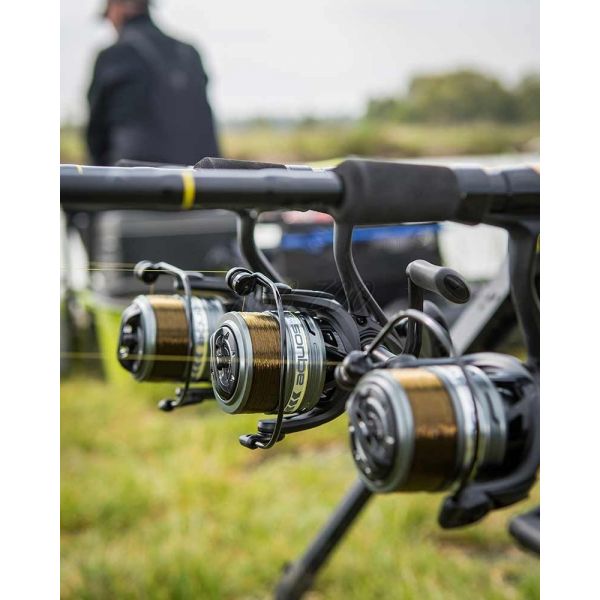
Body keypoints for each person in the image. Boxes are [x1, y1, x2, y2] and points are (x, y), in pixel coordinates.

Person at [87, 0, 220, 166]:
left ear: (117, 9)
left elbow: (96, 136)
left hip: (138, 178)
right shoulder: (190, 53)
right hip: (202, 177)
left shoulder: (113, 56)